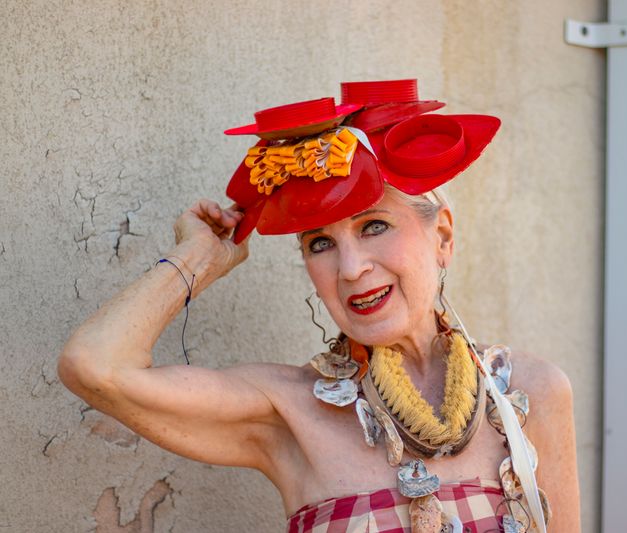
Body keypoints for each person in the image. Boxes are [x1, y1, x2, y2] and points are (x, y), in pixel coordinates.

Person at [59, 80, 580, 532]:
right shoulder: (287, 412)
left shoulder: (532, 394)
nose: (350, 268)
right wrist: (200, 257)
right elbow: (95, 367)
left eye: (374, 226)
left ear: (441, 237)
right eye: (319, 244)